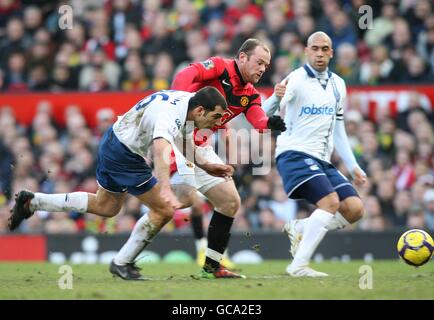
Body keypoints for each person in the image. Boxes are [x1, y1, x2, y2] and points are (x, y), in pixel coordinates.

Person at [8, 87, 234, 280]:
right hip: (125, 154)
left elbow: (181, 142)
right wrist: (164, 185)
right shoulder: (173, 112)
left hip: (114, 141)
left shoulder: (187, 106)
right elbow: (160, 147)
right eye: (215, 117)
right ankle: (122, 263)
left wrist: (206, 165)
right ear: (201, 110)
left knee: (106, 207)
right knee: (164, 209)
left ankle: (33, 202)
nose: (216, 123)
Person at [113, 38, 287, 280]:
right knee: (179, 202)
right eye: (259, 62)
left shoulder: (250, 95)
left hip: (200, 146)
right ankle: (124, 259)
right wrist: (180, 107)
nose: (262, 69)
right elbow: (186, 74)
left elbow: (258, 119)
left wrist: (270, 123)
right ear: (243, 57)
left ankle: (212, 267)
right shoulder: (219, 66)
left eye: (266, 66)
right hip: (177, 140)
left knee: (230, 201)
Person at [263, 31, 367, 277]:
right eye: (315, 49)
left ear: (331, 53)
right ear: (306, 51)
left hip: (322, 159)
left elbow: (339, 130)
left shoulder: (338, 84)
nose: (319, 54)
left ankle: (302, 227)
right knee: (330, 202)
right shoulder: (296, 79)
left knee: (354, 210)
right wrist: (276, 99)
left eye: (324, 49)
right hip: (294, 154)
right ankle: (298, 266)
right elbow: (264, 113)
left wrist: (353, 166)